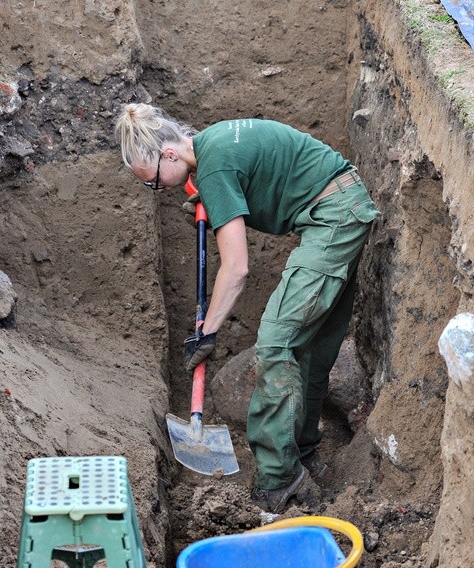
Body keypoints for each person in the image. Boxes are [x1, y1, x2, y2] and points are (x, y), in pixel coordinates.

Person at [115, 103, 380, 513]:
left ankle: (279, 480)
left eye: (153, 183)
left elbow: (236, 269)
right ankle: (304, 454)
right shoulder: (215, 148)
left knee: (275, 343)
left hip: (333, 218)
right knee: (310, 348)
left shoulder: (216, 168)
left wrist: (208, 333)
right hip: (342, 206)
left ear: (169, 155)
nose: (158, 191)